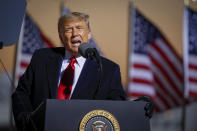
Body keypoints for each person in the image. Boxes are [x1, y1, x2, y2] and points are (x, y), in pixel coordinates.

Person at [12, 12, 126, 131]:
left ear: (89, 34)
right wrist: (26, 120)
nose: (75, 33)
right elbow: (21, 93)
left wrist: (142, 104)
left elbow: (117, 106)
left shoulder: (108, 69)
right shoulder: (42, 58)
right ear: (61, 36)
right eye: (68, 30)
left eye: (79, 28)